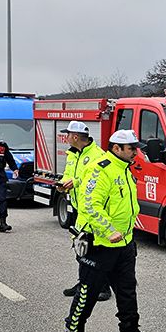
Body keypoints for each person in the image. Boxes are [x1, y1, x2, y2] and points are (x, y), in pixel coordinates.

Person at [62, 129, 154, 332]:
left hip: (124, 244)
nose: (136, 153)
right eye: (132, 149)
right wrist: (109, 229)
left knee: (127, 289)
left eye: (136, 148)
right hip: (99, 243)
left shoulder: (124, 169)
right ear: (116, 148)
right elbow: (90, 205)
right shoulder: (101, 170)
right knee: (89, 289)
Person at [57, 121, 110, 302]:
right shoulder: (72, 153)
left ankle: (103, 287)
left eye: (68, 134)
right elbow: (68, 173)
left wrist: (76, 182)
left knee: (95, 249)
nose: (66, 137)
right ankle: (83, 283)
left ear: (76, 137)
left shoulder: (97, 155)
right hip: (78, 208)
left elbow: (96, 179)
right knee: (80, 246)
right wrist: (64, 185)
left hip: (92, 210)